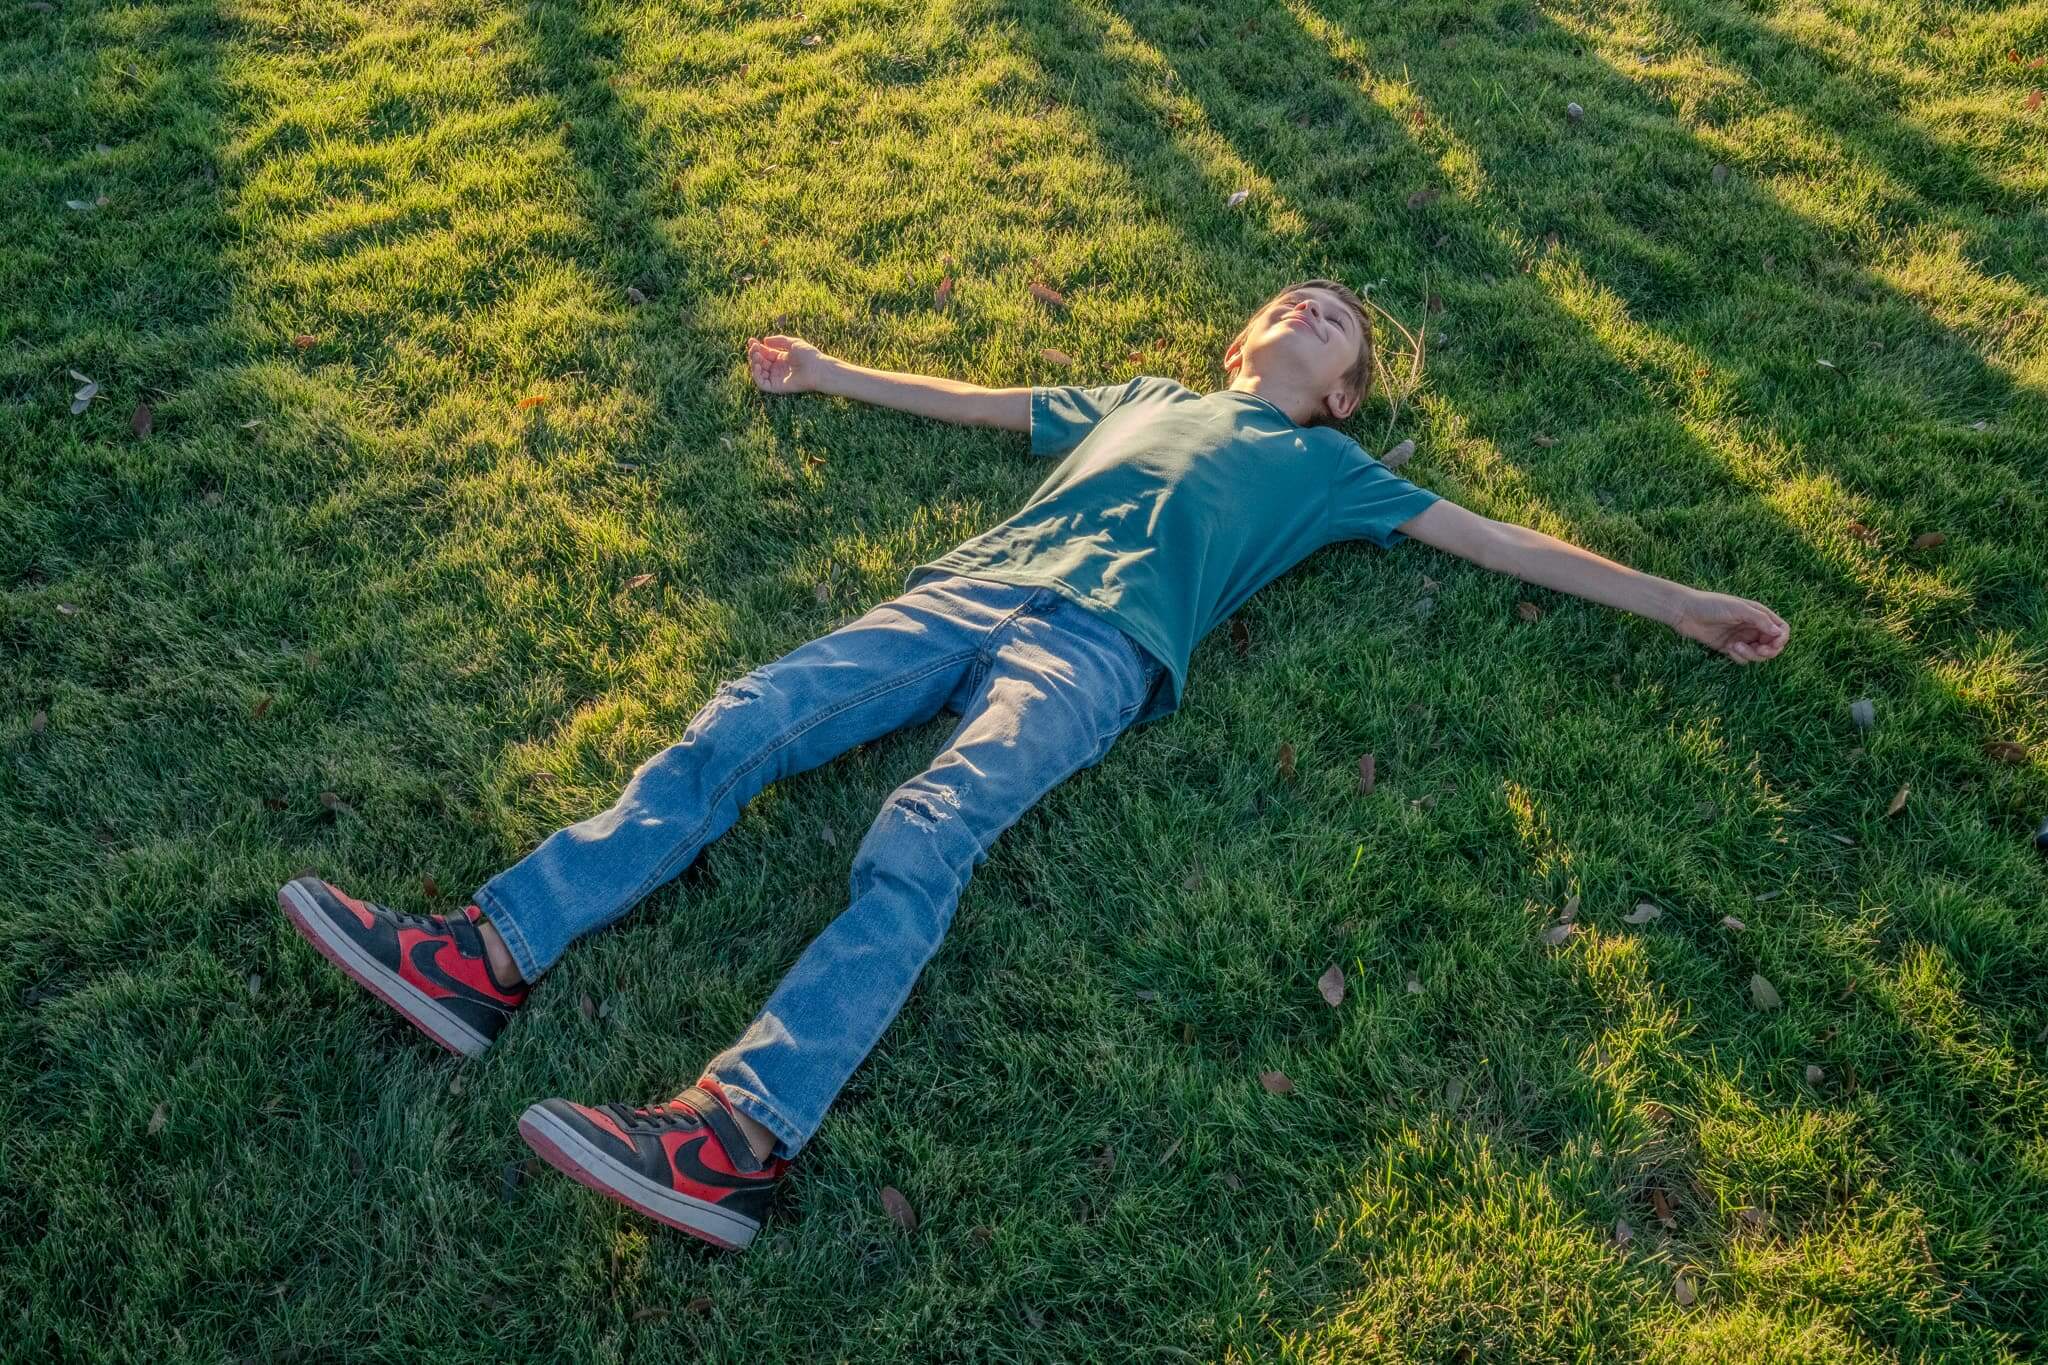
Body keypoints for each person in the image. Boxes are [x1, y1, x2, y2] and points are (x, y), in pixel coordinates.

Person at [278, 278, 1789, 1251]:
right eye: (1297, 298)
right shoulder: (1140, 398)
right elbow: (984, 401)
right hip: (960, 593)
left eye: (1340, 323)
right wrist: (824, 372)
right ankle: (484, 949)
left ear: (1341, 397)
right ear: (1235, 341)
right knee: (743, 718)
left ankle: (734, 1134)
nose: (1313, 306)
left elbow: (1503, 540)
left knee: (925, 825)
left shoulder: (1338, 471)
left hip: (1097, 655)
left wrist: (1680, 603)